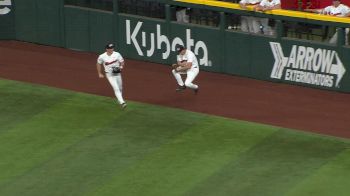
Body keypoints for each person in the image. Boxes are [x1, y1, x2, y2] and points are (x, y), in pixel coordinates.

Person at [96, 43, 127, 109]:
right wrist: (99, 73)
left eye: (112, 48)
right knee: (116, 88)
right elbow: (98, 64)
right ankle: (122, 102)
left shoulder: (117, 54)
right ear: (107, 49)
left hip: (117, 73)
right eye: (110, 48)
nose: (111, 49)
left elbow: (122, 61)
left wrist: (120, 67)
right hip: (109, 75)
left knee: (120, 88)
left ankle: (120, 99)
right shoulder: (102, 56)